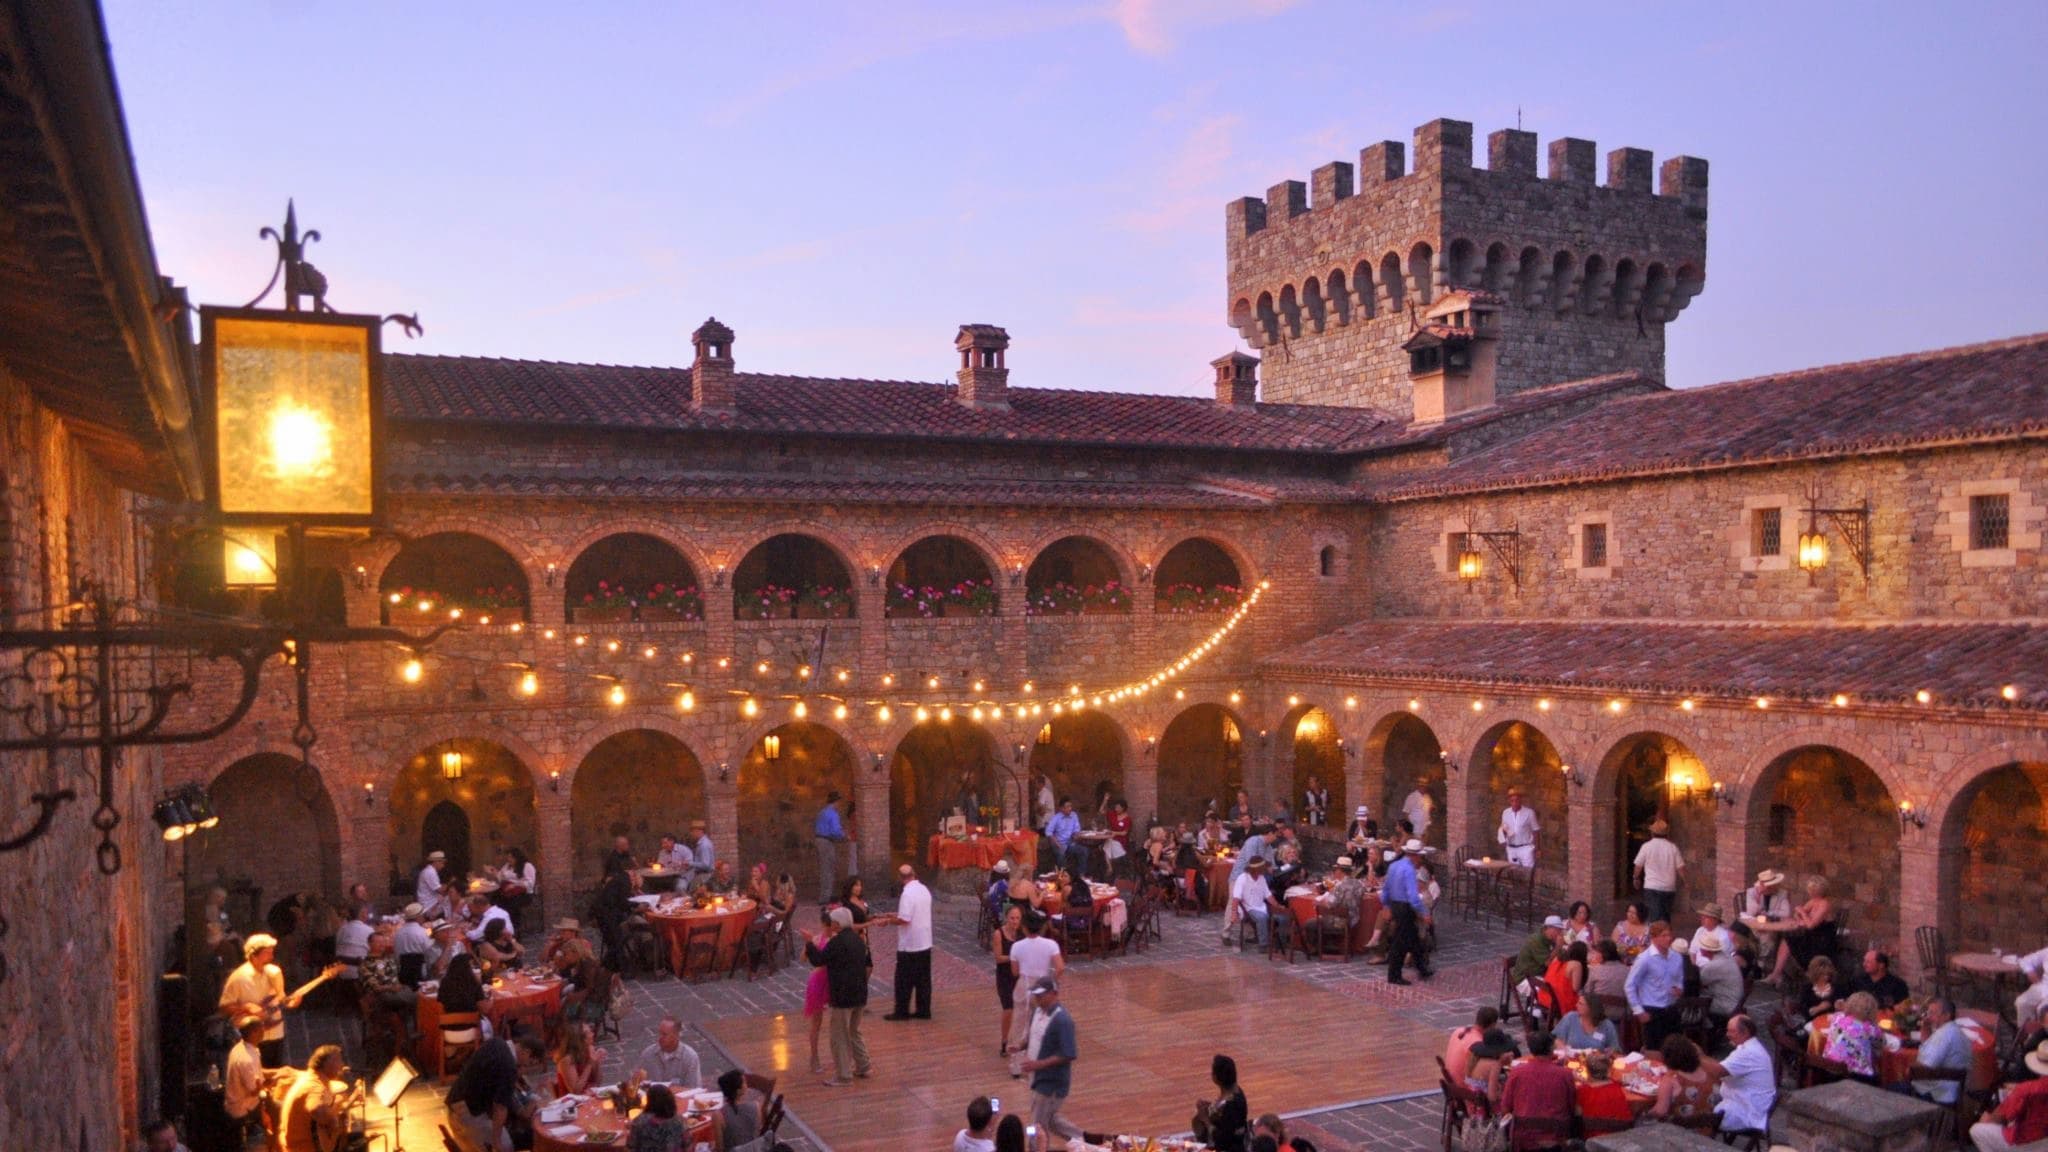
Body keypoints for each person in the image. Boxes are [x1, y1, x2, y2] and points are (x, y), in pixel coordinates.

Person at [807, 905, 872, 1086]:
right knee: (854, 1031)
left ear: (837, 924)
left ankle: (843, 1075)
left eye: (833, 922)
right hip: (859, 993)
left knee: (839, 1036)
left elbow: (819, 960)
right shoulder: (859, 940)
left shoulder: (837, 943)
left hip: (843, 996)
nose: (831, 925)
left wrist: (809, 944)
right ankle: (863, 1065)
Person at [1020, 978, 1081, 1151]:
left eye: (1041, 995)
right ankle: (1083, 1139)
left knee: (1036, 1125)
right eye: (1036, 995)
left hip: (1051, 1084)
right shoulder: (1037, 1012)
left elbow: (1068, 1053)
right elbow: (1034, 1036)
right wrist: (1021, 1045)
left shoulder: (1063, 1020)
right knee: (1050, 1119)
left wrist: (1038, 1065)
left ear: (1054, 994)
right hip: (1037, 1079)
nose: (1037, 999)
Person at [218, 933, 295, 1068]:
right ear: (253, 955)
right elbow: (224, 1007)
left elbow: (282, 1000)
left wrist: (293, 1001)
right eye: (267, 953)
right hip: (253, 1037)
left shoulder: (274, 972)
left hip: (275, 1032)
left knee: (276, 1071)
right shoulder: (238, 978)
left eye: (272, 952)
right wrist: (246, 1007)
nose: (271, 957)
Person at [1498, 1029, 1575, 1148]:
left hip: (1523, 1138)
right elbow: (1571, 1106)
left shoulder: (1517, 1072)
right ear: (1551, 1049)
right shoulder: (1565, 1074)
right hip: (1556, 1138)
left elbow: (1505, 1107)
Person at [278, 1045, 362, 1152]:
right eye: (339, 1061)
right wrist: (334, 1123)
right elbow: (315, 1108)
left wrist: (346, 1103)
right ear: (328, 1064)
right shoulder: (315, 1087)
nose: (342, 1065)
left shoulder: (308, 1077)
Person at [1007, 912, 1065, 1061]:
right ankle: (1044, 1053)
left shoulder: (1016, 946)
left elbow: (1014, 972)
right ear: (1041, 927)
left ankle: (1016, 1060)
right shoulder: (1051, 944)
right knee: (1044, 1018)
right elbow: (1060, 967)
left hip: (1025, 983)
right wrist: (1052, 982)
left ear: (1024, 928)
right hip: (1043, 984)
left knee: (1020, 1019)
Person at [1971, 1041, 2048, 1150]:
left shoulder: (2027, 1089)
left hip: (2027, 1143)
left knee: (1977, 1130)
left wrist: (1988, 1118)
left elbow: (2000, 1118)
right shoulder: (2027, 1088)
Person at [1765, 875, 1837, 985]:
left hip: (1822, 939)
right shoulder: (1813, 901)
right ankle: (1776, 973)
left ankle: (1788, 975)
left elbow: (1811, 925)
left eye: (1811, 889)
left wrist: (1803, 914)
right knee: (1786, 939)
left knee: (1791, 939)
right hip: (1811, 935)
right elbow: (1798, 914)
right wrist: (1800, 915)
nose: (1810, 892)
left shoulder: (1824, 904)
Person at [1711, 1014, 1776, 1135]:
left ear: (1745, 1033)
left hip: (1746, 1112)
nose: (1727, 1034)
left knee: (1698, 1113)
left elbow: (1717, 1071)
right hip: (1743, 1103)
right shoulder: (1748, 1048)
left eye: (1731, 1031)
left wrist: (1697, 1057)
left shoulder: (1749, 1053)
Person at [1626, 920, 1687, 1047]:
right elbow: (1630, 985)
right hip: (1652, 1009)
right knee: (1654, 1049)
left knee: (1675, 1048)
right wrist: (1638, 1010)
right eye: (1664, 936)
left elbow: (1679, 978)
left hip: (1671, 1008)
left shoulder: (1677, 957)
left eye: (1669, 935)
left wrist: (1679, 989)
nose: (1668, 939)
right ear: (1654, 938)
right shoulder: (1645, 959)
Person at [886, 862, 935, 1020]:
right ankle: (923, 1009)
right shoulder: (924, 889)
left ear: (901, 878)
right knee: (923, 979)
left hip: (910, 944)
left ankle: (901, 1011)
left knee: (903, 980)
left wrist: (888, 921)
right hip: (925, 941)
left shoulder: (907, 894)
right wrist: (893, 915)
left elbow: (905, 919)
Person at [1384, 839, 1433, 984]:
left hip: (1395, 905)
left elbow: (1386, 888)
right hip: (1404, 908)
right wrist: (1424, 913)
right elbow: (1413, 897)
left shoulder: (1393, 866)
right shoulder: (1409, 870)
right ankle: (1394, 976)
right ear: (1415, 856)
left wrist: (1386, 905)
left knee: (1413, 940)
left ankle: (1422, 969)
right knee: (1401, 944)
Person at [1909, 997, 1974, 1106]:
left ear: (1947, 1015)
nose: (1928, 1017)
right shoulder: (1953, 1030)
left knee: (1889, 1090)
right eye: (1928, 1012)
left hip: (1935, 1094)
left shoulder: (1944, 1035)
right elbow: (1927, 1046)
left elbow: (1925, 1067)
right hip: (1951, 1091)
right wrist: (1926, 1026)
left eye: (1933, 1013)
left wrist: (1907, 1071)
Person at [222, 1015, 276, 1146]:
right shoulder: (246, 1059)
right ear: (253, 1033)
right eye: (261, 1028)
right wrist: (271, 1083)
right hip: (241, 1109)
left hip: (242, 1100)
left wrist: (279, 1072)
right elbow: (254, 1091)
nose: (264, 1030)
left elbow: (257, 1072)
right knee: (276, 1107)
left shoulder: (243, 1047)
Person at [1649, 1035, 1723, 1123]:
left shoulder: (1671, 1079)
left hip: (1683, 1130)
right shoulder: (1709, 1067)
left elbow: (1660, 1112)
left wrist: (1645, 1113)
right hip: (1711, 1125)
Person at [1632, 819, 1685, 925]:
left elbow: (1638, 865)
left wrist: (1635, 878)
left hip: (1652, 886)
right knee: (1665, 916)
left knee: (1653, 916)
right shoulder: (1672, 847)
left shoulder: (1647, 846)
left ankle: (1655, 938)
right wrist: (1685, 881)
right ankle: (1665, 936)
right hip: (1669, 887)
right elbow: (1680, 868)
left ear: (1652, 832)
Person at [1823, 991, 1885, 1080]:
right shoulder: (1871, 1029)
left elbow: (1836, 1032)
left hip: (1829, 1069)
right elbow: (1879, 1048)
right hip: (1857, 1077)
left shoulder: (1837, 1017)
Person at [1200, 1054, 1249, 1152]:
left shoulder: (1231, 1106)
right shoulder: (1236, 1092)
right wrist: (1211, 1108)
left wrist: (1206, 1120)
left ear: (1215, 1077)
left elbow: (1223, 1140)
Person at [993, 904, 1025, 1057]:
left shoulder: (1022, 933)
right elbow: (998, 958)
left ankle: (1020, 1040)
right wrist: (1015, 956)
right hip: (1004, 975)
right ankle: (1004, 1040)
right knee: (1008, 1008)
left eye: (1017, 918)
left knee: (1022, 1009)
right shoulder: (998, 934)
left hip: (1019, 975)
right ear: (1007, 918)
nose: (1015, 921)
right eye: (1012, 918)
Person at [802, 907, 831, 1073]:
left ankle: (841, 1057)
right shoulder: (819, 939)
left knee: (837, 1021)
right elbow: (803, 957)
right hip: (819, 982)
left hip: (831, 982)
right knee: (816, 1023)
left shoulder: (832, 939)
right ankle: (814, 1057)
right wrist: (810, 945)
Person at [636, 1015, 702, 1088]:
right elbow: (637, 1083)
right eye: (659, 1033)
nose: (660, 1037)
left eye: (664, 1034)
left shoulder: (690, 1058)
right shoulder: (648, 1054)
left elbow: (693, 1089)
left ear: (676, 1035)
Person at [1575, 1051, 1634, 1131]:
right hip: (1620, 1134)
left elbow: (1577, 1115)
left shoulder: (1582, 1091)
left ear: (1587, 1071)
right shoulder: (1616, 1087)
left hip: (1594, 1137)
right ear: (1608, 1071)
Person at [1697, 935, 1746, 1022]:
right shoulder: (1726, 957)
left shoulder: (1713, 965)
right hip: (1735, 1001)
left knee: (1694, 1003)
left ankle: (1704, 1027)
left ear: (1705, 950)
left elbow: (1699, 983)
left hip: (1726, 1004)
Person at [1445, 1006, 1499, 1082]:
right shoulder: (1478, 1045)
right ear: (1493, 1025)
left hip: (1452, 1083)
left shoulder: (1458, 1031)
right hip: (1464, 1086)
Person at [1231, 856, 1274, 949]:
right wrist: (1234, 913)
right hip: (1248, 908)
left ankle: (1275, 941)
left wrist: (1278, 906)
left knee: (1282, 918)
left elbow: (1268, 895)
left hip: (1261, 906)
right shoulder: (1242, 878)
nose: (1264, 870)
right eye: (1262, 869)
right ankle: (1263, 945)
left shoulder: (1261, 878)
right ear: (1256, 869)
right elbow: (1236, 897)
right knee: (1262, 917)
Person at [1464, 1029, 1517, 1104]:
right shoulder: (1495, 1065)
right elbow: (1492, 1097)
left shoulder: (1479, 1059)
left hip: (1475, 1101)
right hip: (1485, 1106)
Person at [718, 1068, 762, 1152]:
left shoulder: (718, 1115)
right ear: (738, 1091)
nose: (746, 1084)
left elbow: (719, 1148)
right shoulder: (756, 1107)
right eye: (744, 1082)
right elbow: (757, 1134)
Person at [1513, 916, 1564, 990]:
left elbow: (1557, 955)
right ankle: (1540, 1001)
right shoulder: (1536, 941)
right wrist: (1558, 947)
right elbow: (1547, 962)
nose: (1559, 933)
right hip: (1525, 978)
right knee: (1552, 991)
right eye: (1557, 930)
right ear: (1549, 928)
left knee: (1561, 981)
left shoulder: (1549, 938)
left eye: (1560, 930)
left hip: (1539, 973)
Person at [814, 791, 846, 904]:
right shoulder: (833, 813)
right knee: (828, 870)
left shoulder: (822, 812)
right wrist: (845, 835)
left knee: (824, 869)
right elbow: (835, 831)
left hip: (819, 840)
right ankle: (825, 898)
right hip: (827, 842)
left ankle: (825, 895)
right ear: (836, 801)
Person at [1542, 940, 1586, 1022]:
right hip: (1560, 1002)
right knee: (1587, 1003)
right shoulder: (1576, 964)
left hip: (1545, 997)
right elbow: (1575, 988)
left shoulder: (1557, 959)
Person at [1497, 788, 1539, 868]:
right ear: (1509, 801)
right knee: (1513, 872)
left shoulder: (1529, 813)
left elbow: (1536, 830)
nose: (1515, 803)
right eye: (1512, 801)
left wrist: (1537, 849)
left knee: (1528, 872)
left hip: (1525, 848)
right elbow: (1504, 828)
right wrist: (1502, 839)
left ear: (1521, 800)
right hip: (1511, 848)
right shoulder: (1505, 813)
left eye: (1517, 800)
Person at [496, 846, 537, 926]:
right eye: (507, 857)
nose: (509, 859)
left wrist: (514, 885)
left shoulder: (527, 866)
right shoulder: (507, 866)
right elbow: (500, 877)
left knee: (511, 905)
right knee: (496, 899)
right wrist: (494, 872)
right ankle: (502, 925)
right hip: (509, 891)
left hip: (524, 894)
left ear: (517, 857)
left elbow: (530, 883)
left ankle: (515, 927)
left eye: (511, 857)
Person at [333, 902, 375, 982]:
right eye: (366, 912)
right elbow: (375, 951)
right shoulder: (369, 930)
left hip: (341, 973)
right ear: (362, 914)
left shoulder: (342, 929)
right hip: (360, 974)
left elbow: (337, 947)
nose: (367, 915)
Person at [1796, 955, 1842, 1024]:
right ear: (1815, 974)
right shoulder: (1806, 990)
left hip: (1836, 1023)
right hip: (1815, 1025)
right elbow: (1804, 1012)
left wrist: (1840, 1006)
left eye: (1827, 974)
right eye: (1822, 974)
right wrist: (1819, 1008)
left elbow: (1842, 1006)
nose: (1825, 977)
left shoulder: (1837, 987)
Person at [1046, 798, 1084, 879]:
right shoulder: (1056, 818)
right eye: (1067, 807)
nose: (1070, 808)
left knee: (1084, 851)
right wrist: (1058, 844)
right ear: (1061, 808)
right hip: (1058, 843)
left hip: (1069, 843)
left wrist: (1076, 835)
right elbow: (1048, 832)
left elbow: (1076, 830)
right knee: (1061, 854)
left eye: (1070, 806)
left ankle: (1080, 875)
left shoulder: (1074, 815)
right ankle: (1063, 876)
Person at [416, 850, 452, 919]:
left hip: (430, 901)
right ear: (436, 862)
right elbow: (440, 890)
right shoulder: (430, 872)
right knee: (450, 899)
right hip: (429, 904)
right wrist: (450, 883)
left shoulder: (429, 871)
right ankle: (449, 919)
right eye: (442, 863)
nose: (443, 866)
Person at [688, 819, 717, 886]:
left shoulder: (704, 845)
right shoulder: (703, 843)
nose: (691, 834)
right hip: (703, 875)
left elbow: (705, 864)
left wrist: (690, 863)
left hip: (704, 876)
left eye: (693, 831)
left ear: (699, 831)